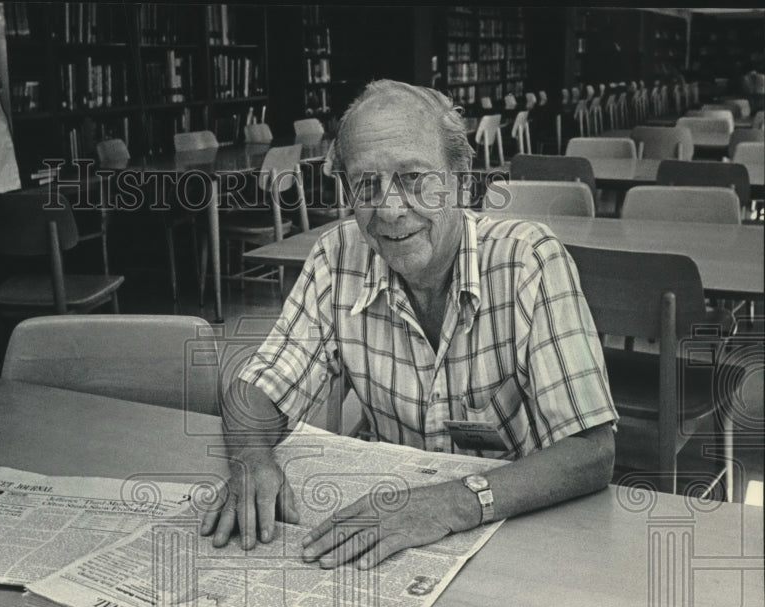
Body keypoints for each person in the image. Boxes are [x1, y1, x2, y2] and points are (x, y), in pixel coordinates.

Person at [200, 79, 618, 570]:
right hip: (384, 530)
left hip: (510, 525)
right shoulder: (336, 259)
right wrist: (250, 456)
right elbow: (258, 389)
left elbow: (592, 451)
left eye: (415, 178)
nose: (390, 210)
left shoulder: (527, 259)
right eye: (366, 185)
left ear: (461, 177)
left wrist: (448, 504)